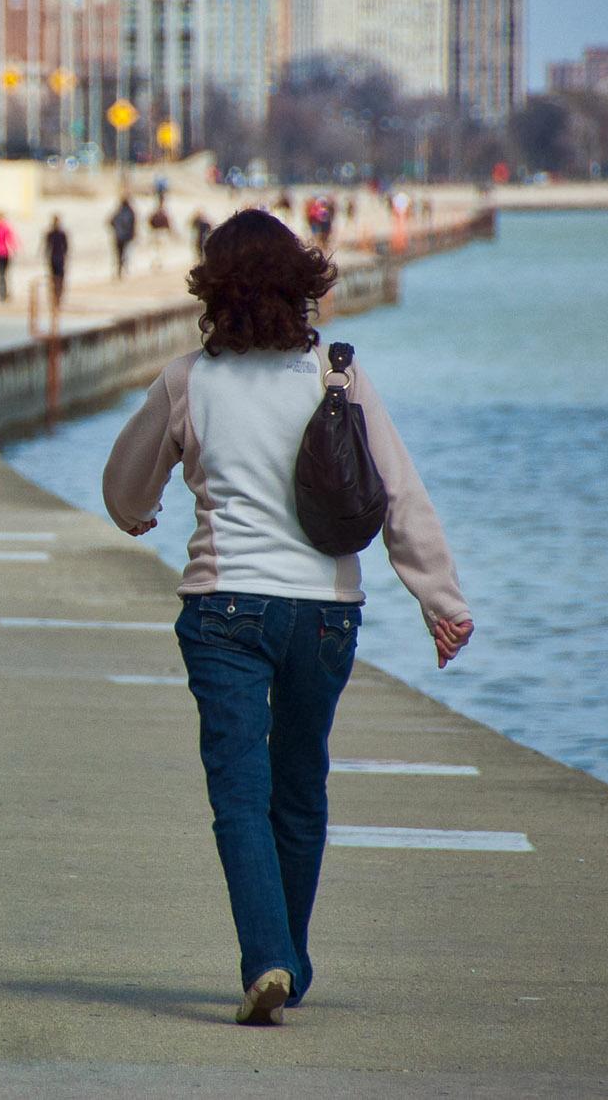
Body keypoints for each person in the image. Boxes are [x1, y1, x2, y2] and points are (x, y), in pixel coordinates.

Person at [100, 209, 473, 1028]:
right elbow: (398, 493)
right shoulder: (336, 377)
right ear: (300, 283)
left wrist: (138, 514)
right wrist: (440, 600)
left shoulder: (188, 378)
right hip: (326, 616)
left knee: (240, 792)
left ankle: (267, 956)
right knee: (300, 790)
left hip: (225, 606)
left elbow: (124, 488)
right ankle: (288, 962)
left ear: (213, 287)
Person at [42, 215, 69, 307]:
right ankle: (56, 295)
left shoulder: (57, 233)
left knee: (57, 278)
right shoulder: (57, 233)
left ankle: (57, 296)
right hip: (56, 258)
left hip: (56, 258)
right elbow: (65, 247)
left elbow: (65, 247)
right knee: (57, 278)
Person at [109, 197, 137, 280]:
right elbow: (134, 224)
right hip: (126, 237)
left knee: (119, 254)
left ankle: (119, 270)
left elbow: (110, 222)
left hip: (118, 237)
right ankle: (124, 270)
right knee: (125, 254)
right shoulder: (130, 212)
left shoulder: (118, 213)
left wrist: (116, 230)